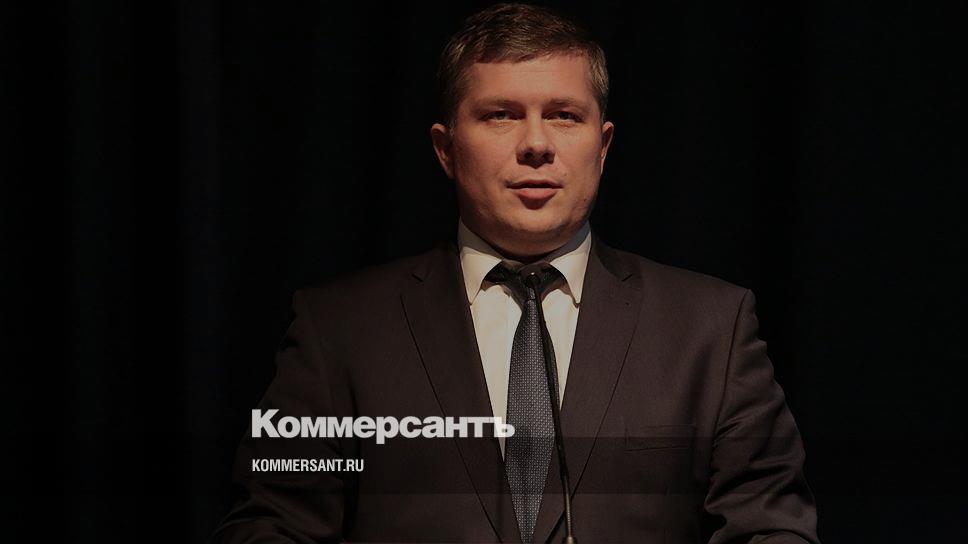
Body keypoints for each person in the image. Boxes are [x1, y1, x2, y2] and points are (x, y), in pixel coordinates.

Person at [213, 4, 819, 543]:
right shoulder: (338, 329)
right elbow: (271, 523)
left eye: (564, 115)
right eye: (501, 115)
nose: (536, 144)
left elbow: (769, 527)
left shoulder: (711, 329)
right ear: (446, 149)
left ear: (603, 146)